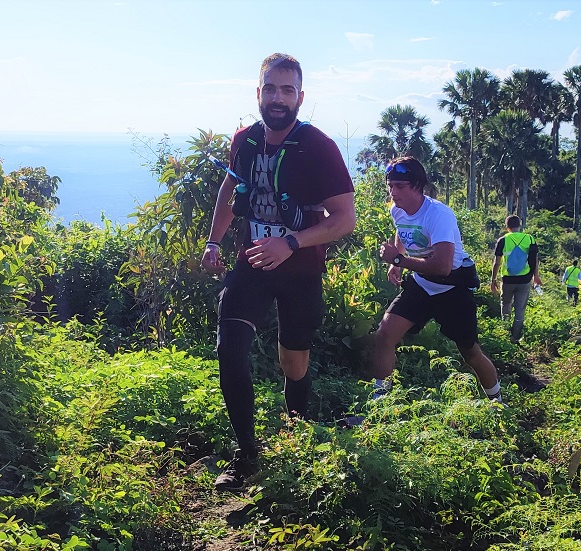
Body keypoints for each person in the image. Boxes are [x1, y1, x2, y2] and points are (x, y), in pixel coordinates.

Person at [200, 53, 356, 492]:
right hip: (251, 263)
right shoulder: (246, 140)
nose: (278, 98)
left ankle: (298, 431)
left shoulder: (318, 146)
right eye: (271, 88)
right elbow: (230, 188)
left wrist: (290, 242)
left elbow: (345, 219)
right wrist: (214, 240)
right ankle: (247, 455)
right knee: (230, 348)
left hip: (300, 268)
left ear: (300, 97)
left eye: (287, 90)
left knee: (293, 362)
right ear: (258, 93)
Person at [369, 156, 502, 404]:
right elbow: (402, 231)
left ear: (417, 186)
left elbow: (442, 266)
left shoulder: (439, 215)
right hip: (421, 284)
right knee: (384, 335)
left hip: (452, 287)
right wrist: (395, 260)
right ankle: (380, 402)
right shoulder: (396, 210)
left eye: (400, 186)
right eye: (390, 185)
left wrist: (399, 261)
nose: (393, 191)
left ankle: (497, 402)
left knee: (470, 353)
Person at [490, 215, 542, 344]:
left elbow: (497, 262)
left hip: (507, 279)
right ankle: (515, 337)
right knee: (520, 309)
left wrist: (493, 280)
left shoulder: (503, 240)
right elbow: (534, 260)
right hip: (525, 279)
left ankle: (505, 333)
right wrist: (536, 276)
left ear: (507, 227)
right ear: (520, 225)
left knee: (505, 304)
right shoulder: (529, 239)